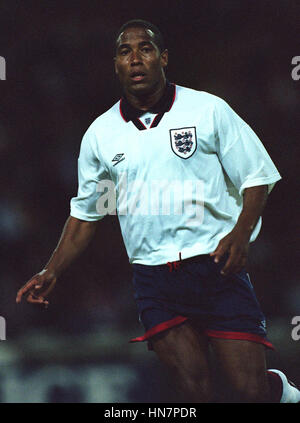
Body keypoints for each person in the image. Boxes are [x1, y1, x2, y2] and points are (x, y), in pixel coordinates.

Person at [16, 19, 300, 403]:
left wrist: (240, 232)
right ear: (115, 65)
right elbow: (88, 214)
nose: (135, 58)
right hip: (153, 278)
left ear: (163, 58)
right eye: (124, 51)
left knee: (248, 392)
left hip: (216, 265)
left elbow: (256, 178)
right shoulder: (101, 135)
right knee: (192, 391)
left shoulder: (208, 110)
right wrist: (52, 269)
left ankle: (278, 391)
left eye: (145, 49)